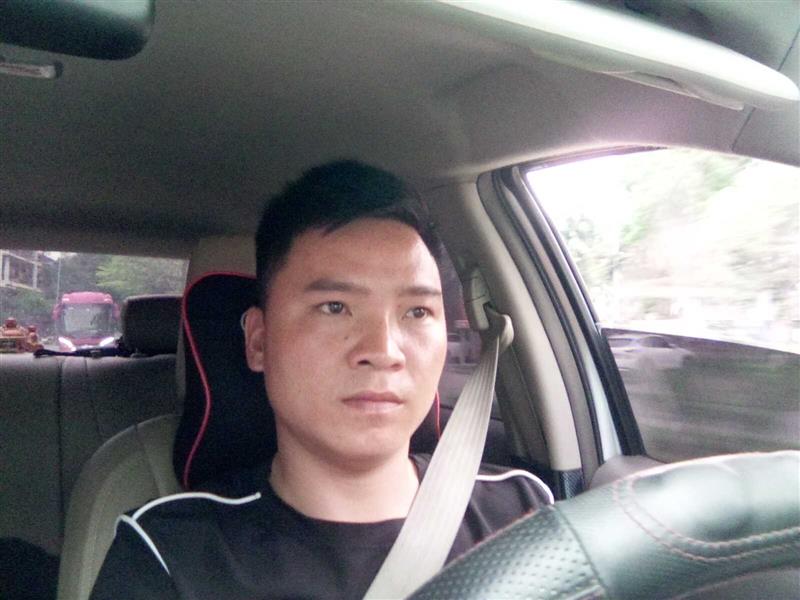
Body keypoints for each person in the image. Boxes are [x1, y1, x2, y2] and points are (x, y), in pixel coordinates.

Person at [90, 161, 552, 599]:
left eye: (416, 311)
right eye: (335, 308)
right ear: (259, 341)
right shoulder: (170, 557)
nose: (384, 351)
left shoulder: (522, 512)